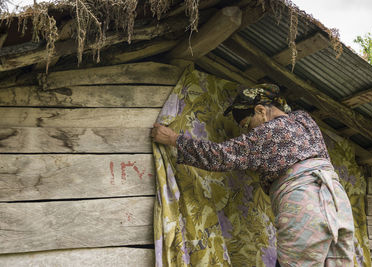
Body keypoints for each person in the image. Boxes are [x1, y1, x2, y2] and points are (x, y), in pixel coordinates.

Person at [151, 84, 355, 267]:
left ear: (261, 111)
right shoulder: (305, 120)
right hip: (338, 205)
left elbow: (221, 156)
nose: (246, 132)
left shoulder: (268, 132)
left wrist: (175, 139)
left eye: (246, 125)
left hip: (305, 206)